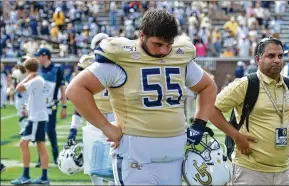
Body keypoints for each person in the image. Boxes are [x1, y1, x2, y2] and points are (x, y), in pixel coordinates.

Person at [66, 9, 217, 185]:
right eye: (158, 44)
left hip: (174, 155)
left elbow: (208, 87)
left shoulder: (179, 56)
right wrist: (106, 127)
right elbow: (75, 90)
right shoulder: (122, 58)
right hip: (135, 155)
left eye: (168, 45)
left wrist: (199, 123)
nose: (164, 50)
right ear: (142, 35)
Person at [209, 38, 289, 185]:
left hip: (284, 172)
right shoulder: (245, 84)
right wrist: (236, 136)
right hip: (249, 171)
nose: (277, 60)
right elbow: (211, 109)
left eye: (280, 56)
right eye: (271, 56)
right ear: (258, 59)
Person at [66, 33, 115, 185]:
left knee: (114, 156)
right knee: (93, 158)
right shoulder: (87, 62)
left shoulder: (118, 59)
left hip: (115, 113)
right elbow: (79, 96)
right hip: (94, 114)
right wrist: (73, 127)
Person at [11, 58, 50, 184]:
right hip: (39, 116)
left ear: (27, 69)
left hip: (36, 118)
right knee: (40, 145)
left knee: (25, 144)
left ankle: (26, 176)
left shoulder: (36, 80)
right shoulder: (41, 80)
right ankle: (43, 177)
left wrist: (28, 77)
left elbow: (18, 88)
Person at [34, 48, 67, 167]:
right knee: (39, 133)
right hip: (38, 107)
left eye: (39, 56)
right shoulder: (38, 70)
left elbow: (62, 88)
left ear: (45, 56)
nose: (38, 58)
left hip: (51, 106)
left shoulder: (57, 69)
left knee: (50, 131)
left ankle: (56, 156)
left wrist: (64, 106)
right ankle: (40, 158)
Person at [12, 56, 28, 133]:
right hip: (20, 95)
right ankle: (23, 129)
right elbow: (14, 84)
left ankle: (28, 129)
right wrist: (16, 89)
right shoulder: (16, 72)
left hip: (28, 94)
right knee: (20, 112)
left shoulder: (30, 73)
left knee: (28, 113)